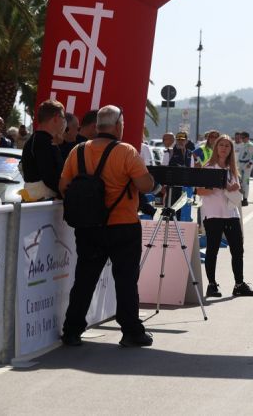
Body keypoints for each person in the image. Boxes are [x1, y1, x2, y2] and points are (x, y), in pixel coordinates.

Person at [59, 105, 156, 348]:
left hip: (88, 226)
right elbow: (145, 185)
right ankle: (131, 331)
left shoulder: (78, 151)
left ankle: (71, 331)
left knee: (84, 279)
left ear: (97, 126)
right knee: (125, 280)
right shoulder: (126, 151)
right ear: (118, 126)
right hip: (123, 225)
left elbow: (64, 186)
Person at [195, 134, 253, 298]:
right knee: (212, 250)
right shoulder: (209, 167)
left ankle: (239, 284)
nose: (224, 148)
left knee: (238, 249)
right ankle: (212, 285)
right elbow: (199, 191)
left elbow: (233, 192)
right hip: (213, 214)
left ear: (231, 150)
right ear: (216, 148)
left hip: (231, 213)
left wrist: (235, 188)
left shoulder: (232, 169)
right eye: (221, 145)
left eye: (227, 146)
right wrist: (220, 185)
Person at [20, 100, 66, 201]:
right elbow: (49, 176)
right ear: (56, 118)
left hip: (41, 202)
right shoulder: (42, 141)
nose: (64, 122)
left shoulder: (41, 139)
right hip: (42, 204)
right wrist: (66, 193)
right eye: (63, 117)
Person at [234, 131, 253, 206]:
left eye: (243, 138)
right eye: (241, 138)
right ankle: (239, 198)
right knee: (238, 181)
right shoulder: (242, 144)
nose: (241, 139)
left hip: (247, 164)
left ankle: (245, 199)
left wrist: (250, 163)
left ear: (247, 138)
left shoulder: (250, 145)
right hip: (240, 164)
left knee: (245, 182)